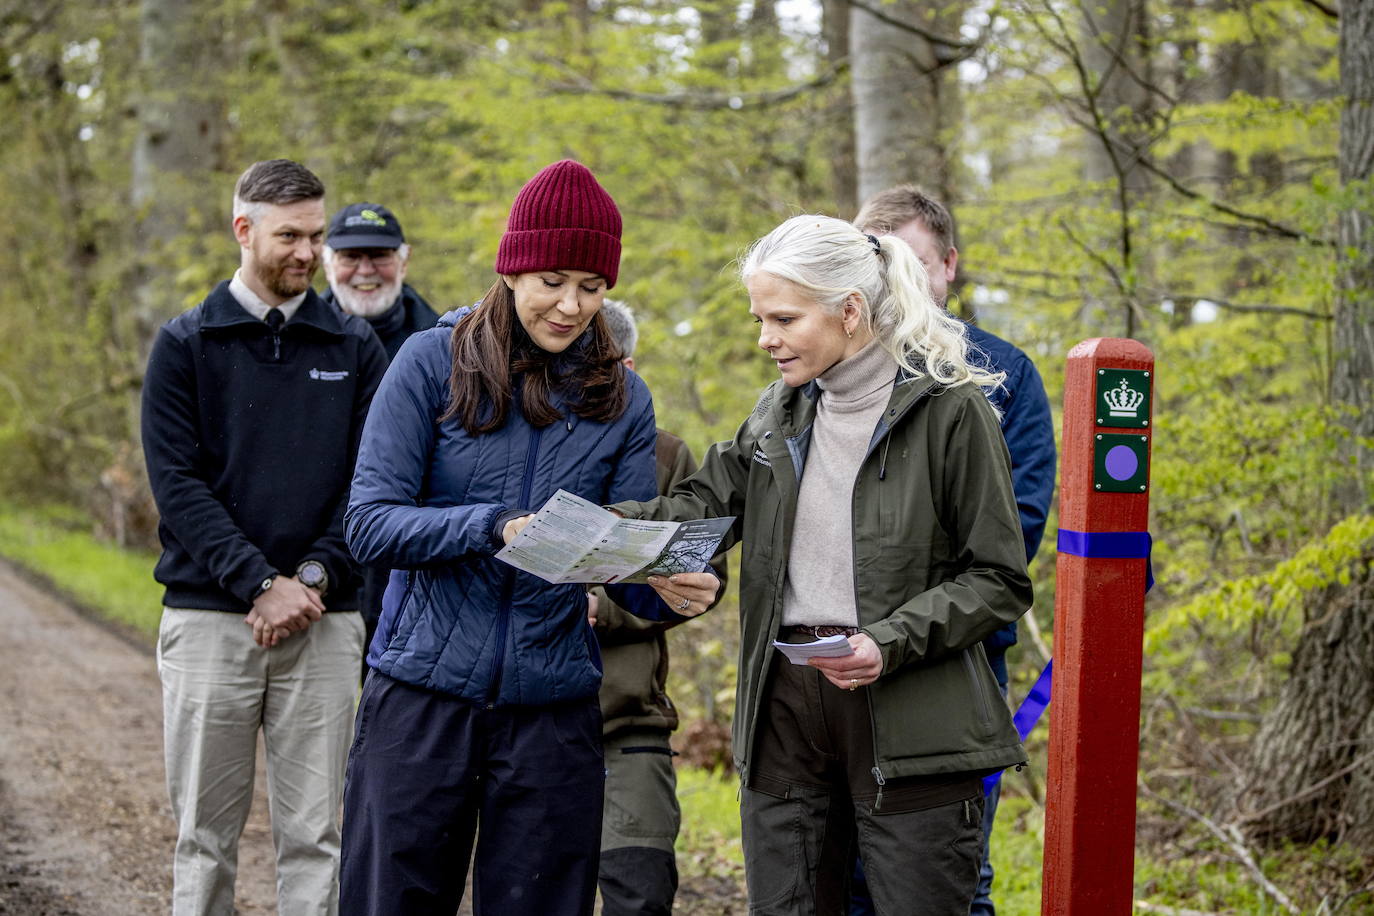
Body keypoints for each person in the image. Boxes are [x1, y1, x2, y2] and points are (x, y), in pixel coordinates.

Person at [610, 214, 1033, 915]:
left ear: (850, 310)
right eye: (759, 318)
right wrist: (600, 536)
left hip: (913, 717)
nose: (764, 339)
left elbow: (998, 579)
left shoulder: (953, 411)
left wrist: (888, 641)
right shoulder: (777, 412)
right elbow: (702, 507)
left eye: (782, 318)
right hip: (785, 713)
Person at [338, 160, 719, 916]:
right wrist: (494, 525)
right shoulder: (427, 364)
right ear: (511, 268)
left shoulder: (623, 398)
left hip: (553, 714)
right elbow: (369, 522)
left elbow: (620, 550)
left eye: (592, 285)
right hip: (421, 695)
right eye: (552, 278)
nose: (572, 304)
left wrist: (676, 585)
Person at [140, 158, 388, 915]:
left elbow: (371, 487)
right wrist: (258, 582)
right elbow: (178, 486)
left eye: (316, 236)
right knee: (204, 838)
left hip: (323, 620)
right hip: (211, 621)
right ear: (243, 230)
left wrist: (308, 579)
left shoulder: (355, 350)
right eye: (289, 236)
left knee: (316, 837)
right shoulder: (185, 345)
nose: (308, 254)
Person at [853, 185, 1057, 916]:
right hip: (838, 662)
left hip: (957, 660)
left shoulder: (1003, 375)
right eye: (880, 266)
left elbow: (1017, 526)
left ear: (949, 267)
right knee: (844, 871)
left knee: (952, 872)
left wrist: (903, 617)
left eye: (913, 263)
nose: (899, 284)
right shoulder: (835, 370)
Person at [593, 300, 728, 916]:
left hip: (629, 721)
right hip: (524, 724)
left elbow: (703, 574)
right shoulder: (512, 441)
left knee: (640, 891)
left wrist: (605, 609)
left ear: (631, 365)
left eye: (604, 365)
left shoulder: (669, 457)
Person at [320, 201, 440, 681]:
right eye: (351, 257)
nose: (365, 270)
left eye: (380, 255)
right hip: (319, 560)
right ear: (327, 262)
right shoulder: (297, 339)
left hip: (407, 559)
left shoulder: (443, 342)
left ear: (404, 259)